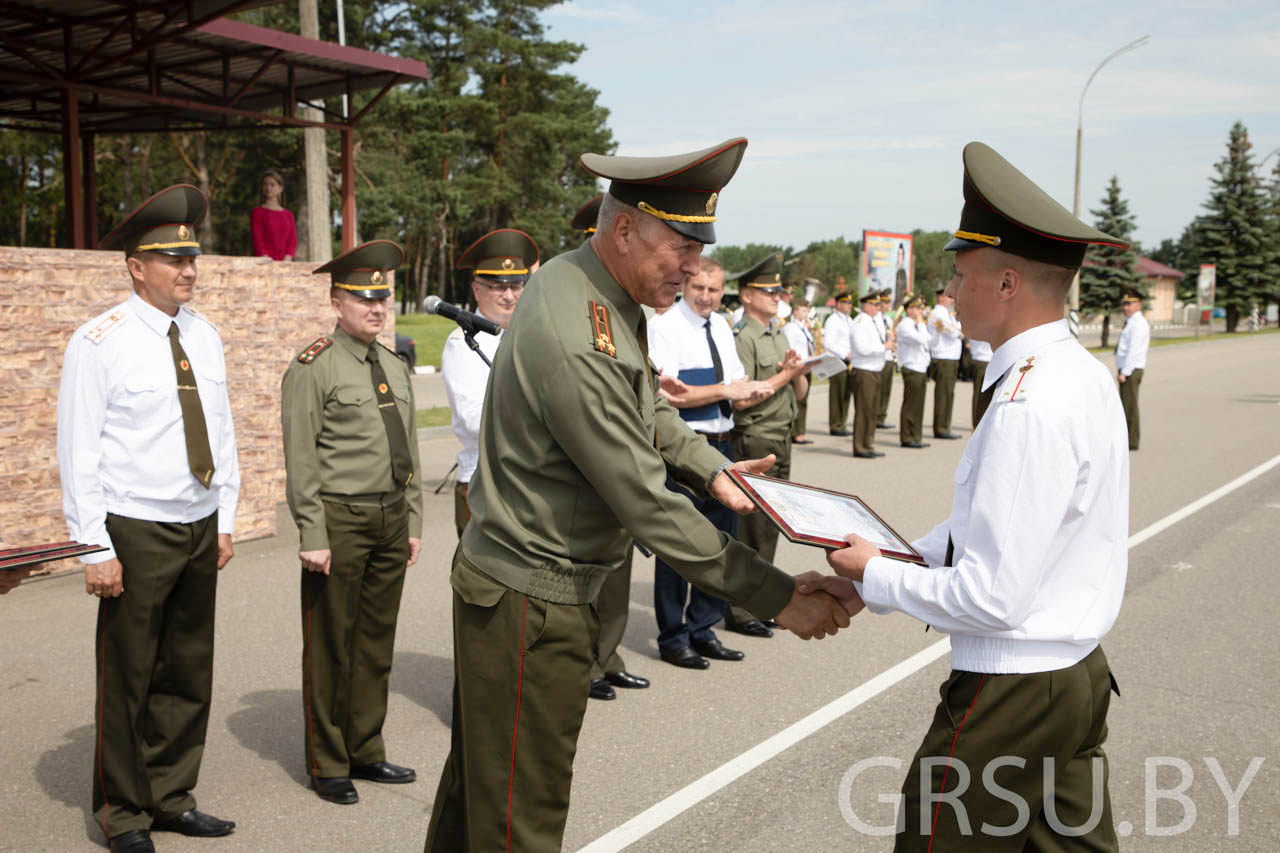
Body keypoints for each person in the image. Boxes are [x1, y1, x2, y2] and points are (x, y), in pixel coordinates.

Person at [422, 138, 848, 852]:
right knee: (518, 818)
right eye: (680, 247)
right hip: (533, 602)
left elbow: (645, 401)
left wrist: (708, 465)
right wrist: (775, 594)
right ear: (624, 229)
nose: (692, 267)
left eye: (698, 250)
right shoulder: (580, 331)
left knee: (482, 796)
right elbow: (645, 501)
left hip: (525, 588)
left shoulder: (588, 288)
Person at [815, 141, 1130, 851]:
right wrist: (887, 569)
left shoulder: (1027, 402)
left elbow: (994, 595)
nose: (949, 294)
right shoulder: (1078, 374)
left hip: (1011, 690)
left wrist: (875, 572)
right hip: (1075, 675)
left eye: (960, 277)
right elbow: (989, 527)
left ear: (1009, 283)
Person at [56, 185, 241, 853]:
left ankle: (172, 794)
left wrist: (225, 514)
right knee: (129, 672)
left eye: (192, 257)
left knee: (188, 668)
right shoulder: (99, 341)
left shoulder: (204, 334)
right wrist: (92, 546)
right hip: (135, 527)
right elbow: (77, 449)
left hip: (196, 518)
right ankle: (124, 811)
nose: (188, 270)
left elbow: (221, 432)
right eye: (172, 259)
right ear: (137, 265)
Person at [281, 240, 423, 806]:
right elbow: (302, 455)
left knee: (375, 642)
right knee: (330, 643)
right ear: (337, 302)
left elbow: (407, 448)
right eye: (363, 298)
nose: (375, 307)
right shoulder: (316, 365)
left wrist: (412, 520)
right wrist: (311, 533)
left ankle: (367, 748)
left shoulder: (392, 364)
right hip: (339, 519)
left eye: (381, 297)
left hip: (390, 517)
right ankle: (328, 761)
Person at [648, 258, 773, 666]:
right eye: (699, 287)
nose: (706, 297)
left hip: (724, 442)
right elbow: (670, 397)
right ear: (685, 284)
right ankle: (673, 637)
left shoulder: (720, 325)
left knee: (722, 540)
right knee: (678, 545)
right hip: (683, 448)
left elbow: (732, 388)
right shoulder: (663, 327)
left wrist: (748, 392)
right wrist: (724, 388)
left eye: (715, 290)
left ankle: (703, 629)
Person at [570, 195, 652, 702]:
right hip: (590, 468)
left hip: (623, 462)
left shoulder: (626, 314)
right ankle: (587, 664)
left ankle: (608, 652)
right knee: (587, 582)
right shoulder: (580, 312)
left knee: (618, 577)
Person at [724, 253, 813, 639]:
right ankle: (741, 609)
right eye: (769, 290)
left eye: (779, 290)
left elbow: (802, 391)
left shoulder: (779, 333)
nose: (778, 295)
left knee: (772, 524)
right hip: (757, 436)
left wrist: (797, 375)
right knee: (752, 527)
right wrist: (786, 375)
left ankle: (761, 603)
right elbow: (741, 399)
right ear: (746, 295)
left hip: (782, 433)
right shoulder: (742, 337)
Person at [441, 228, 539, 539]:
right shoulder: (463, 343)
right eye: (497, 286)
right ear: (476, 289)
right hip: (485, 484)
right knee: (485, 586)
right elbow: (474, 421)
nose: (509, 295)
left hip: (530, 483)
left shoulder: (529, 336)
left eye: (515, 285)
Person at [849, 290, 887, 458]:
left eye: (879, 304)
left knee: (872, 410)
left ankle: (868, 444)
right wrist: (884, 347)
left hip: (874, 369)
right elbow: (862, 349)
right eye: (875, 304)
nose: (878, 308)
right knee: (864, 410)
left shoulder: (871, 321)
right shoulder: (860, 322)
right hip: (864, 370)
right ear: (866, 305)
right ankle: (860, 446)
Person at [894, 295, 931, 448]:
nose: (918, 311)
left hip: (920, 367)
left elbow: (929, 339)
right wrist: (921, 322)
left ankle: (916, 436)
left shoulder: (916, 324)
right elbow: (921, 339)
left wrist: (921, 324)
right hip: (912, 367)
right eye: (915, 308)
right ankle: (907, 437)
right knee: (911, 404)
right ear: (908, 309)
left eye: (919, 308)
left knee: (919, 404)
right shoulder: (905, 325)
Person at [1114, 289, 1149, 450]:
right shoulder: (1132, 322)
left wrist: (1124, 372)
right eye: (1124, 304)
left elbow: (1133, 351)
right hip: (1128, 369)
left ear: (1138, 305)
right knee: (1126, 405)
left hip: (1131, 370)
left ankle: (1132, 441)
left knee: (1130, 407)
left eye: (1129, 304)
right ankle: (1127, 438)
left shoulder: (1138, 324)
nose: (1126, 307)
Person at [928, 285, 963, 439]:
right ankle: (941, 428)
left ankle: (945, 426)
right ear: (941, 297)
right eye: (949, 297)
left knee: (949, 393)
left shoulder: (947, 314)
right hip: (944, 357)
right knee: (943, 394)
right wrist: (958, 330)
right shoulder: (937, 314)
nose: (952, 300)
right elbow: (955, 333)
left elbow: (960, 331)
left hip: (951, 357)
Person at [782, 297, 816, 444]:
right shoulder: (790, 328)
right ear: (795, 311)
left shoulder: (802, 327)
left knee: (803, 401)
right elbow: (789, 349)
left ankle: (800, 431)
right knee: (797, 401)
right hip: (797, 367)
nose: (805, 313)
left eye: (807, 310)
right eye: (803, 310)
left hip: (805, 366)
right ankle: (796, 432)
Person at [822, 290, 856, 435]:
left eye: (850, 302)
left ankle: (842, 423)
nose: (850, 305)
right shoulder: (833, 320)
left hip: (849, 362)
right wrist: (845, 354)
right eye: (847, 302)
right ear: (839, 304)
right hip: (837, 361)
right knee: (837, 394)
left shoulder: (849, 320)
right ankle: (835, 425)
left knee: (846, 393)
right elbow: (828, 343)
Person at [250, 170, 297, 261]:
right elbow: (257, 239)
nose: (268, 188)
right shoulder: (258, 212)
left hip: (285, 264)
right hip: (264, 263)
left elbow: (292, 240)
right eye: (265, 184)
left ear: (280, 188)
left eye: (272, 184)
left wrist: (287, 258)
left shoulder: (288, 215)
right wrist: (264, 258)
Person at [875, 288, 897, 429]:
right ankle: (875, 416)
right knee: (878, 389)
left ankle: (882, 416)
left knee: (886, 390)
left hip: (889, 357)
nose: (887, 304)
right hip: (879, 357)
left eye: (889, 302)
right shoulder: (875, 319)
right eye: (885, 302)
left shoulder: (888, 319)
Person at [967, 337, 995, 427]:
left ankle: (982, 424)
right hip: (982, 359)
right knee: (980, 396)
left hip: (989, 358)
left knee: (987, 396)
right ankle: (977, 425)